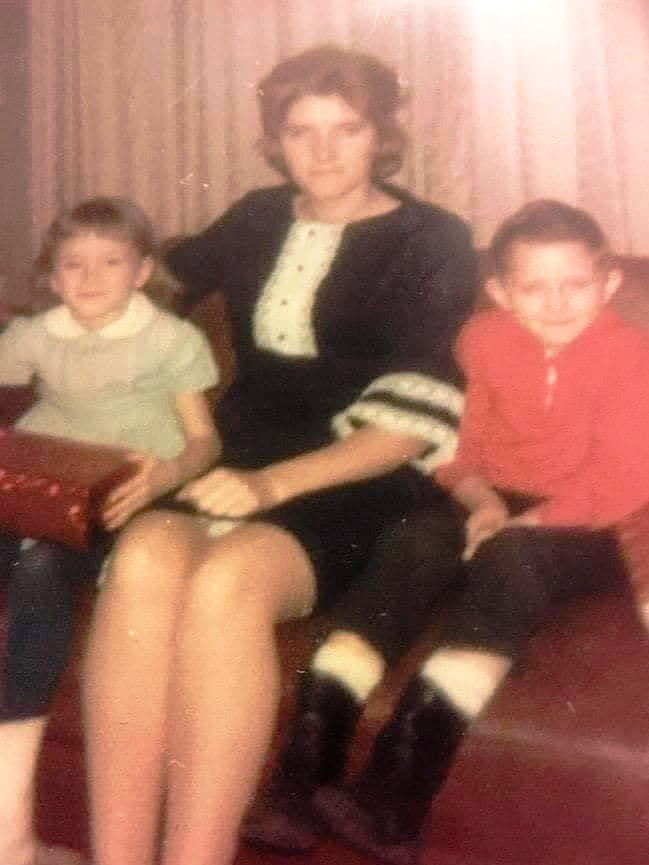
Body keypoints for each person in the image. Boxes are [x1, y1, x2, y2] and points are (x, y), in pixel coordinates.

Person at [81, 44, 477, 865]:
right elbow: (144, 289)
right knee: (146, 553)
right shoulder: (257, 216)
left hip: (363, 470)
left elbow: (408, 427)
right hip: (239, 453)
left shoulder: (432, 239)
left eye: (346, 129)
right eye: (301, 131)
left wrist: (269, 485)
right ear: (274, 141)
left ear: (381, 136)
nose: (322, 151)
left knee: (227, 580)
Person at [308, 199, 649, 865]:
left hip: (596, 519)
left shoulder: (632, 354)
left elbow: (624, 481)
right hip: (503, 499)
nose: (556, 303)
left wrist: (519, 524)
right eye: (533, 287)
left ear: (608, 283)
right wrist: (480, 502)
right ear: (499, 290)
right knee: (412, 539)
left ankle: (396, 801)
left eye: (575, 284)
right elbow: (468, 449)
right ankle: (307, 768)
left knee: (513, 558)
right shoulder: (483, 339)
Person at [0, 196, 219, 865]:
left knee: (40, 572)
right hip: (38, 484)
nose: (90, 278)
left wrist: (166, 475)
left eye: (110, 262)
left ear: (143, 271)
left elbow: (204, 442)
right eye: (73, 264)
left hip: (126, 493)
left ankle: (9, 827)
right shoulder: (35, 334)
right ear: (51, 275)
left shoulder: (171, 339)